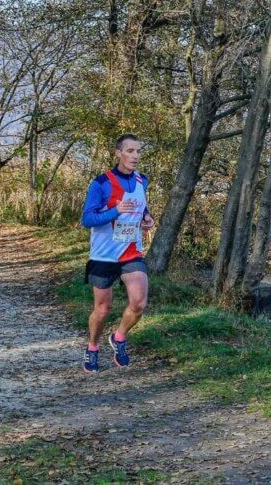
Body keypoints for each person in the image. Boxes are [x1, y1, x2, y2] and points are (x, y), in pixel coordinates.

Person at [80, 134, 154, 372]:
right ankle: (92, 347)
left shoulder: (143, 180)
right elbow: (87, 219)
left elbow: (141, 207)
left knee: (139, 303)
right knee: (102, 309)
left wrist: (146, 218)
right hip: (104, 254)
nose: (135, 156)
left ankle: (119, 337)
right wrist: (115, 211)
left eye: (138, 151)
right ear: (118, 153)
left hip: (131, 250)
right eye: (130, 151)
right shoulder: (101, 183)